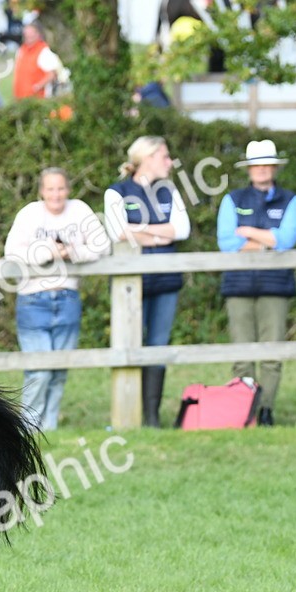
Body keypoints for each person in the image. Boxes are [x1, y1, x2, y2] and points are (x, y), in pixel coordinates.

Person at [4, 167, 109, 430]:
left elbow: (102, 246)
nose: (56, 194)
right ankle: (29, 427)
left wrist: (72, 251)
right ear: (41, 191)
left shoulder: (80, 210)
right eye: (50, 189)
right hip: (32, 299)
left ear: (68, 189)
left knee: (60, 368)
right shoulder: (29, 213)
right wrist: (48, 251)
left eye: (61, 188)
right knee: (39, 370)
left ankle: (50, 426)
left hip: (67, 297)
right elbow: (12, 254)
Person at [104, 136, 192, 427]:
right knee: (130, 342)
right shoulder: (116, 192)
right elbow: (117, 231)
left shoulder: (170, 191)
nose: (170, 162)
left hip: (166, 279)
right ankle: (129, 414)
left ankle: (151, 417)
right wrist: (158, 233)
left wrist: (139, 231)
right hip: (130, 283)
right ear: (148, 158)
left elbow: (181, 230)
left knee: (158, 344)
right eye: (165, 157)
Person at [216, 139, 296, 426]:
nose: (262, 170)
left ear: (275, 168)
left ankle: (266, 409)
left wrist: (249, 233)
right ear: (250, 169)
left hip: (275, 285)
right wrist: (268, 239)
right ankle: (244, 409)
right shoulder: (233, 199)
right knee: (242, 351)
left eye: (267, 164)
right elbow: (227, 242)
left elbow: (287, 240)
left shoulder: (291, 200)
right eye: (257, 165)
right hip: (238, 284)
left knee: (272, 350)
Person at [12, 23, 62, 100]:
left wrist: (37, 87)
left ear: (38, 34)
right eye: (26, 33)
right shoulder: (21, 50)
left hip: (37, 99)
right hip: (20, 98)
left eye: (31, 33)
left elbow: (52, 74)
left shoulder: (44, 51)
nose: (28, 36)